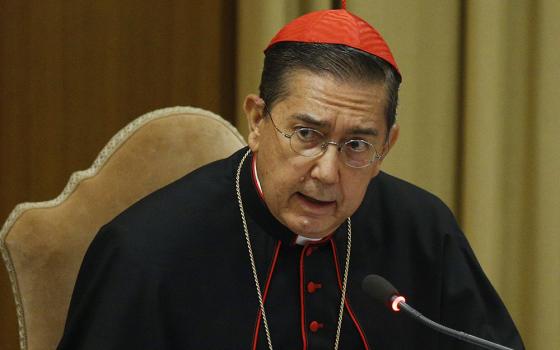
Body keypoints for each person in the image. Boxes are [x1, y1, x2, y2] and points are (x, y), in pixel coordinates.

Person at [57, 7, 524, 350]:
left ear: (388, 146)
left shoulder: (423, 228)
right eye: (306, 134)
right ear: (257, 121)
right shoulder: (146, 251)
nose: (327, 172)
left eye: (358, 145)